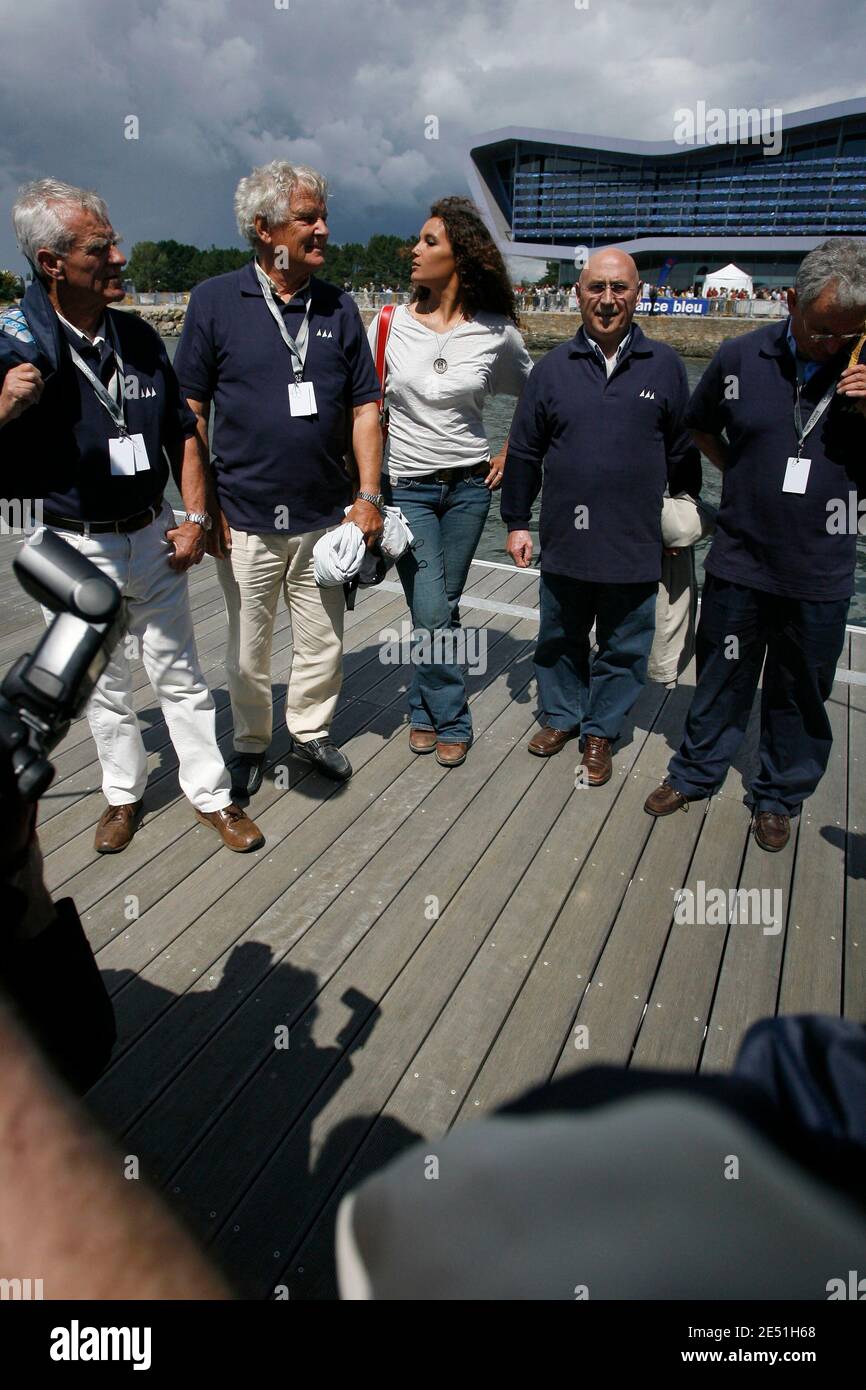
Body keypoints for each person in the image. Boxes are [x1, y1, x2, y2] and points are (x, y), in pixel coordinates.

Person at [0, 179, 264, 854]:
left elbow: (183, 432)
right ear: (52, 263)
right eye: (101, 246)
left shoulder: (140, 339)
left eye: (114, 240)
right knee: (106, 685)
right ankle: (124, 794)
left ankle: (212, 795)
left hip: (153, 532)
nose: (120, 256)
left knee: (178, 673)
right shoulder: (15, 344)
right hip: (71, 545)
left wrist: (197, 518)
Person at [645, 238, 866, 850]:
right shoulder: (742, 355)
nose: (833, 345)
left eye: (849, 333)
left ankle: (778, 795)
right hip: (743, 557)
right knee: (721, 673)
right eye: (822, 330)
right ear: (791, 302)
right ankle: (694, 772)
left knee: (802, 689)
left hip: (821, 568)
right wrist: (741, 470)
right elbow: (698, 422)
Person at [174, 161, 383, 799]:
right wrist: (202, 508)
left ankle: (311, 730)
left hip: (327, 515)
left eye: (323, 217)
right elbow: (191, 411)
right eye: (307, 219)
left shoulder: (340, 306)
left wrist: (369, 498)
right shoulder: (214, 300)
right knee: (247, 647)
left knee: (323, 638)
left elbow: (365, 408)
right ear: (265, 230)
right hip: (246, 515)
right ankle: (251, 741)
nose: (322, 230)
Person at [501, 248, 701, 785]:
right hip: (565, 539)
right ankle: (563, 716)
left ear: (638, 294)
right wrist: (517, 521)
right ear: (579, 293)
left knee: (624, 646)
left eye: (619, 289)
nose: (607, 300)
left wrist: (684, 518)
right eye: (596, 288)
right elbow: (523, 452)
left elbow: (683, 454)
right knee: (560, 637)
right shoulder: (550, 370)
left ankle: (601, 731)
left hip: (636, 544)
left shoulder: (665, 367)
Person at [367, 196, 533, 767]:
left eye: (429, 242)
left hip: (468, 488)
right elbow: (363, 410)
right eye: (417, 241)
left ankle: (420, 709)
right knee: (435, 610)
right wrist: (361, 490)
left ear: (460, 256)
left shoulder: (495, 332)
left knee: (443, 605)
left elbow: (535, 397)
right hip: (407, 487)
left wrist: (512, 450)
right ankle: (454, 717)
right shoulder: (387, 325)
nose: (414, 250)